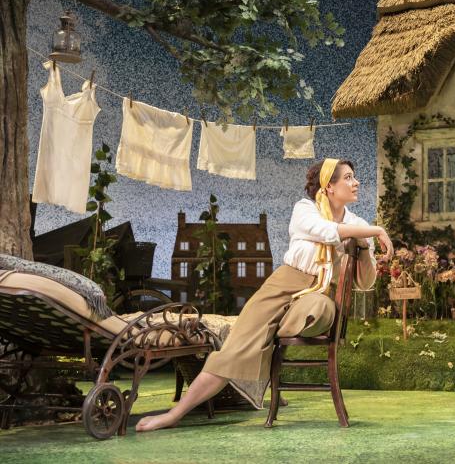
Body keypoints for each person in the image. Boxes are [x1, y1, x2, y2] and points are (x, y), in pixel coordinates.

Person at [136, 158, 393, 432]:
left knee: (317, 308)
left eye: (354, 177)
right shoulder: (305, 210)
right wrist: (376, 230)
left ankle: (268, 336)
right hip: (283, 285)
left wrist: (365, 245)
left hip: (319, 295)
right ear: (329, 186)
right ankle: (174, 415)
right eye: (348, 178)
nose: (356, 182)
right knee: (235, 349)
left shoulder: (357, 223)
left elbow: (364, 282)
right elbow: (327, 231)